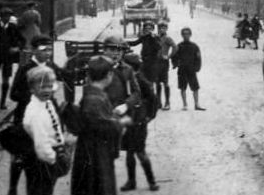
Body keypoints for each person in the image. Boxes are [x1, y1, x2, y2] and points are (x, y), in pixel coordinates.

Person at [9, 35, 76, 195]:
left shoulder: (51, 65)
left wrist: (72, 67)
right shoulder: (26, 68)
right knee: (21, 156)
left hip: (48, 115)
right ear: (33, 50)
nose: (48, 53)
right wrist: (34, 96)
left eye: (50, 49)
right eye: (44, 50)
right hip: (27, 116)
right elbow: (14, 94)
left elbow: (66, 78)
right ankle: (13, 187)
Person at [71, 56, 133, 195]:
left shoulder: (92, 94)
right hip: (96, 154)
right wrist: (120, 123)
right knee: (99, 187)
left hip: (90, 152)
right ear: (109, 75)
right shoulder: (95, 98)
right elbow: (102, 125)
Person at [21, 65, 71, 195]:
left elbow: (55, 125)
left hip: (48, 157)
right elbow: (41, 144)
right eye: (42, 87)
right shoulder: (35, 112)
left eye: (50, 86)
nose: (47, 90)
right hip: (42, 161)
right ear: (32, 89)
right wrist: (54, 160)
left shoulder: (46, 103)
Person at [118, 52, 160, 192]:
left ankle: (152, 181)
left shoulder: (140, 80)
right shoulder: (130, 79)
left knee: (140, 152)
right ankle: (131, 181)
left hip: (139, 121)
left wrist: (150, 116)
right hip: (130, 120)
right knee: (130, 152)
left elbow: (154, 99)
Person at [170, 27, 205, 111]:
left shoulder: (194, 46)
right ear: (182, 35)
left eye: (187, 34)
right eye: (184, 34)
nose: (186, 36)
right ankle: (185, 104)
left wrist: (197, 68)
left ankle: (197, 104)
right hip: (182, 69)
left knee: (195, 87)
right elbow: (173, 56)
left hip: (191, 70)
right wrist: (175, 64)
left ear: (190, 35)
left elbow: (198, 58)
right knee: (182, 87)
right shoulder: (179, 46)